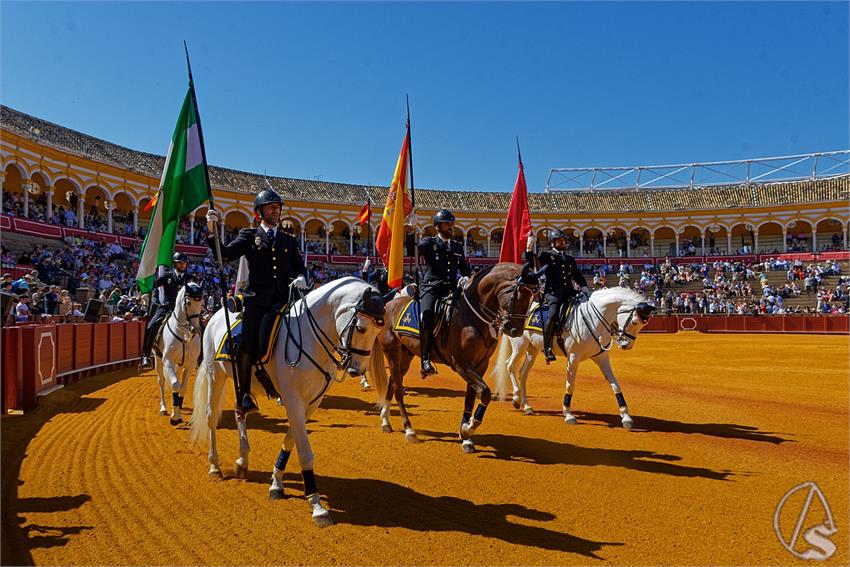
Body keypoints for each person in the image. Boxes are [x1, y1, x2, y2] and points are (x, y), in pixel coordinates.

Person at [205, 187, 308, 415]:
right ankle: (244, 394)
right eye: (271, 207)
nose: (276, 211)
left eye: (278, 207)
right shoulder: (249, 236)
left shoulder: (288, 240)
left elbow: (299, 267)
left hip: (284, 301)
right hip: (257, 302)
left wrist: (301, 276)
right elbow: (225, 254)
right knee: (248, 342)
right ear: (258, 213)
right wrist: (212, 230)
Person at [417, 209, 471, 377]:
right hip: (432, 287)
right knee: (426, 316)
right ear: (437, 227)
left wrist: (466, 277)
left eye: (451, 224)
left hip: (451, 287)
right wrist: (411, 230)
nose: (451, 227)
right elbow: (413, 248)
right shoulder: (429, 243)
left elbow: (464, 268)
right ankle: (425, 359)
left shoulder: (457, 246)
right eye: (447, 224)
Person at [526, 229, 590, 362]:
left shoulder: (569, 259)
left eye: (563, 240)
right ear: (553, 243)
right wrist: (529, 247)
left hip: (570, 293)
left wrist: (585, 289)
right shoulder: (546, 256)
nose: (562, 242)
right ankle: (547, 346)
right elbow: (533, 264)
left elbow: (578, 276)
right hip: (553, 293)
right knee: (553, 314)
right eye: (559, 240)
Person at [140, 252, 194, 369]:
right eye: (180, 263)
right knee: (151, 326)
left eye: (184, 263)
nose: (183, 265)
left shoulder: (190, 278)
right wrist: (150, 277)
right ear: (175, 264)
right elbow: (152, 285)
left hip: (185, 309)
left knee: (199, 325)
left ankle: (200, 357)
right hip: (167, 306)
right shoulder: (166, 277)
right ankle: (146, 355)